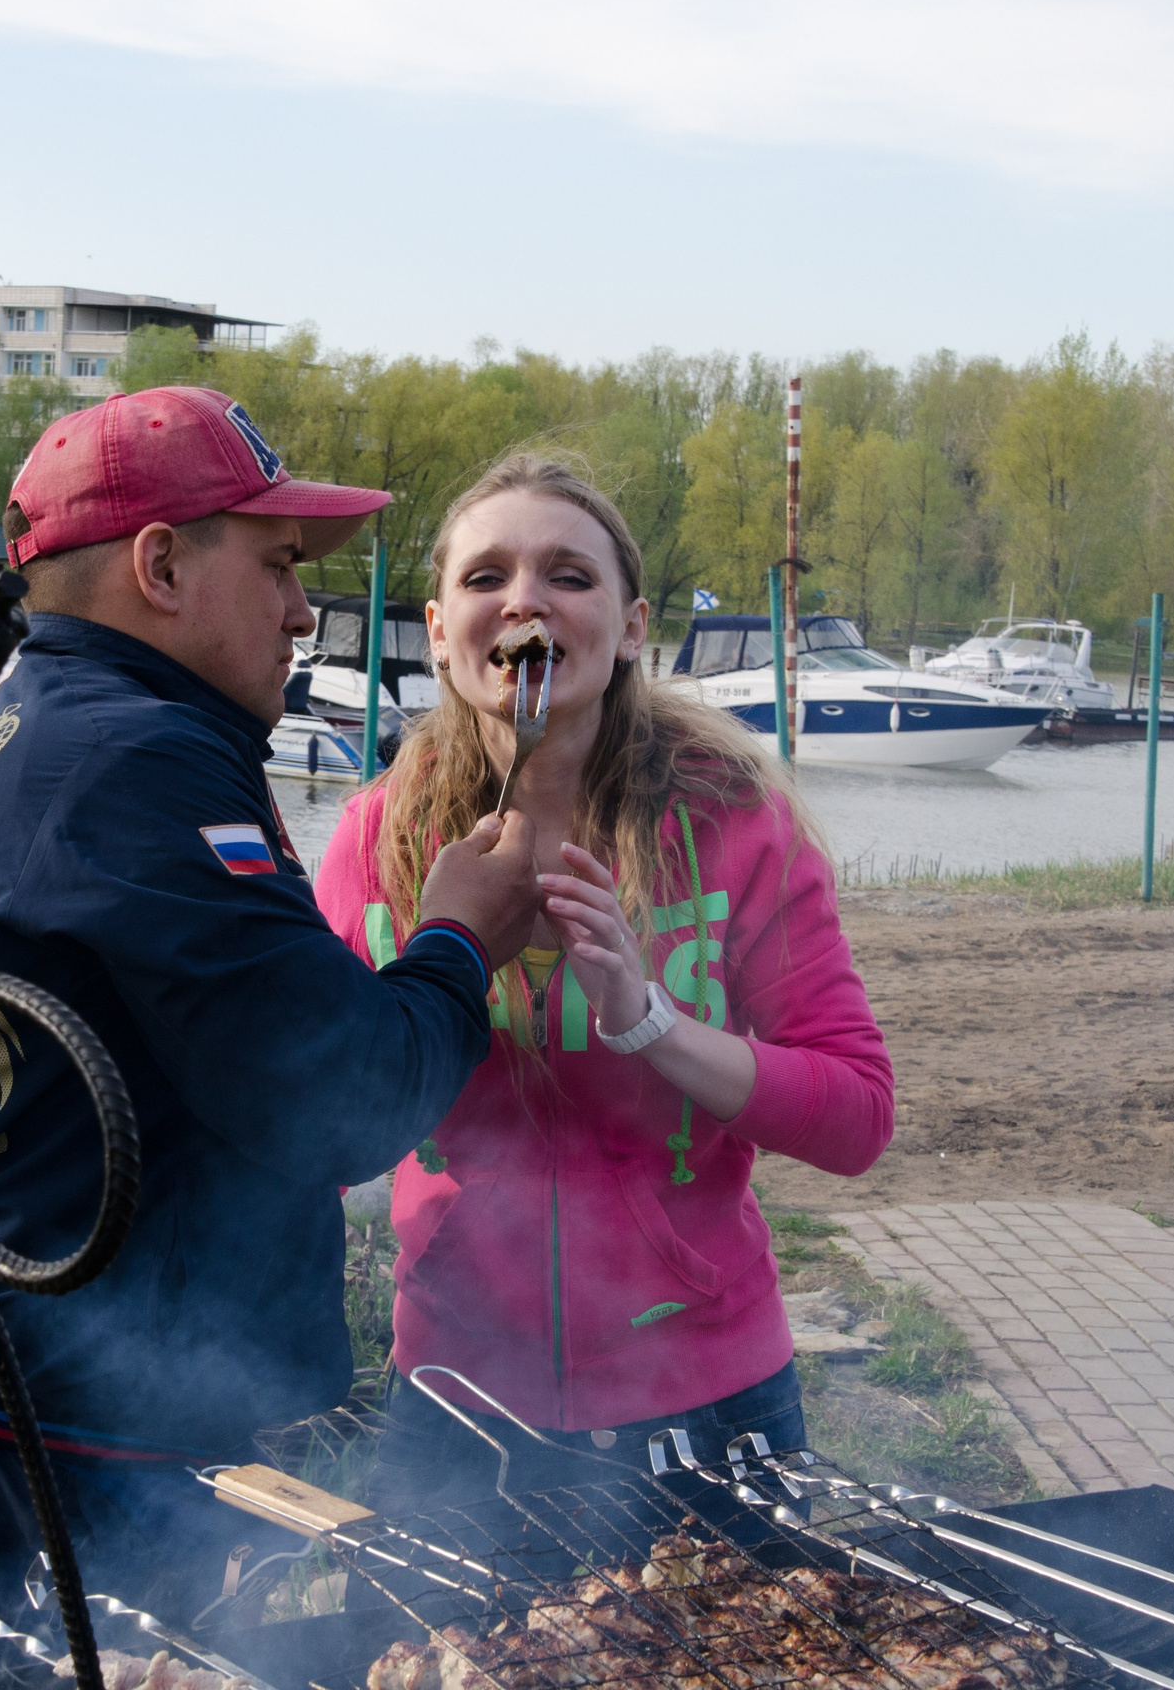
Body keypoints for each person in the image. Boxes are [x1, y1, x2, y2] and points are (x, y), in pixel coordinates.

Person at [0, 386, 541, 1690]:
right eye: (274, 565)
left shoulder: (37, 734)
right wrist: (457, 944)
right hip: (30, 1455)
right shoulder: (139, 761)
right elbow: (340, 1095)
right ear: (160, 564)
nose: (302, 609)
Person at [311, 453, 895, 1511]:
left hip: (707, 1392)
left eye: (568, 576)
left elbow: (856, 1117)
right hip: (454, 1397)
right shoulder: (376, 838)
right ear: (440, 634)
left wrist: (649, 1022)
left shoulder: (734, 822)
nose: (524, 598)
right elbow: (319, 1116)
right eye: (485, 577)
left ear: (629, 628)